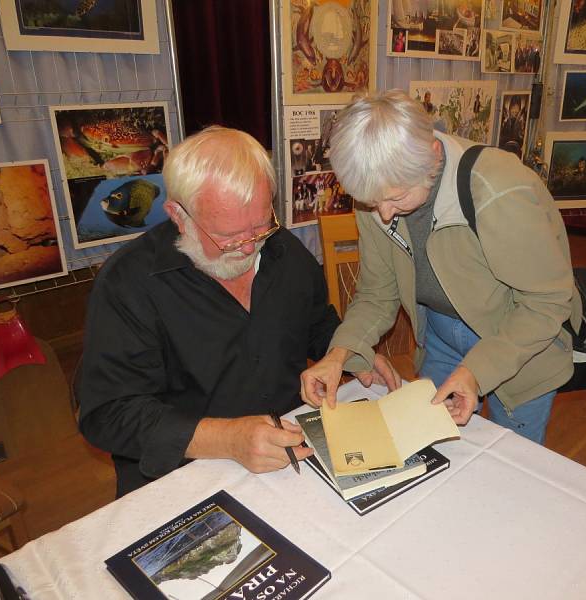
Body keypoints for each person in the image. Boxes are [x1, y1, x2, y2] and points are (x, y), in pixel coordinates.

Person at [76, 126, 395, 497]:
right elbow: (107, 414)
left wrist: (348, 352)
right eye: (228, 236)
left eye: (260, 226)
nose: (248, 248)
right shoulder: (128, 284)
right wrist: (227, 439)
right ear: (179, 215)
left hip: (287, 460)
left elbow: (315, 323)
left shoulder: (284, 252)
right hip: (184, 479)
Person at [300, 90, 580, 444]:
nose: (383, 214)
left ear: (432, 156)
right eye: (371, 201)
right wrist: (338, 354)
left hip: (521, 340)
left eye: (396, 198)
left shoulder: (498, 190)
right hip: (441, 333)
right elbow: (376, 294)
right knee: (440, 449)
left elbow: (547, 302)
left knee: (512, 463)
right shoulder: (377, 193)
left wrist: (477, 371)